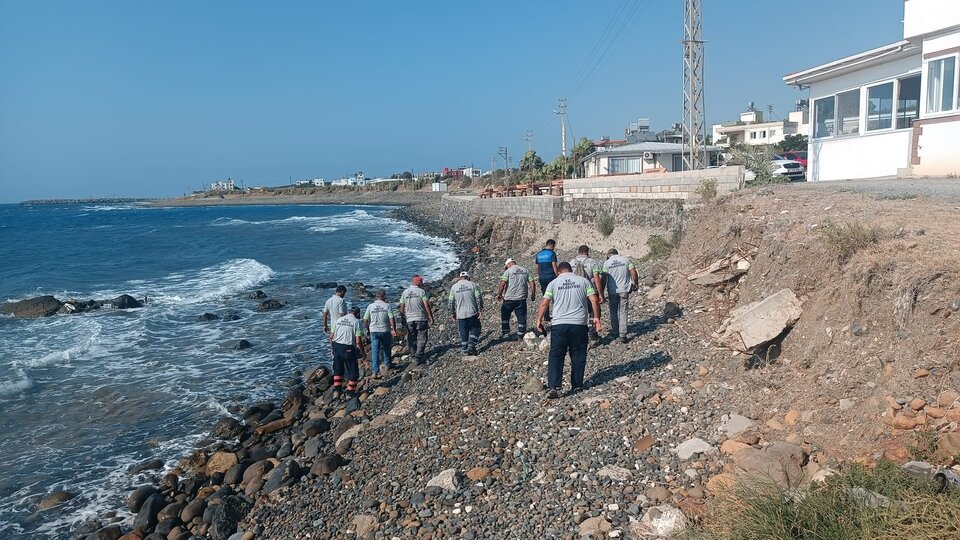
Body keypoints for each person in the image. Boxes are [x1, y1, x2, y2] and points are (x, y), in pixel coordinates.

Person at [536, 262, 602, 399]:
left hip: (559, 324)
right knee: (578, 354)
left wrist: (539, 320)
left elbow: (544, 303)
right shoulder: (583, 281)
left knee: (556, 355)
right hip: (579, 324)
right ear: (571, 270)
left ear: (559, 272)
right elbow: (594, 300)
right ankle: (577, 384)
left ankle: (554, 386)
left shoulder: (554, 283)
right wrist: (596, 317)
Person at [602, 248, 639, 343]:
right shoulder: (626, 259)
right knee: (623, 310)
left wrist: (601, 291)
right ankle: (623, 334)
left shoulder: (607, 263)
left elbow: (604, 278)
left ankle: (615, 331)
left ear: (608, 255)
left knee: (613, 311)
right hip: (624, 289)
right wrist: (636, 283)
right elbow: (633, 272)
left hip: (612, 290)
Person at [329, 306, 366, 395]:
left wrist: (333, 349)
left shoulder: (339, 320)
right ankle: (350, 392)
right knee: (353, 371)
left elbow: (331, 337)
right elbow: (358, 341)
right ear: (357, 314)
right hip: (348, 348)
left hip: (337, 346)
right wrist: (363, 352)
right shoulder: (356, 322)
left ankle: (337, 391)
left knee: (338, 370)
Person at [570, 245, 604, 341]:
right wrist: (601, 294)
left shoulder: (572, 262)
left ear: (578, 252)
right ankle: (592, 332)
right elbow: (597, 279)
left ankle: (579, 332)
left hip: (576, 291)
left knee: (579, 311)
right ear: (587, 252)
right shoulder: (591, 262)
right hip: (590, 291)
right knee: (593, 311)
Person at [399, 275, 435, 364]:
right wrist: (431, 316)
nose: (422, 284)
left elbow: (401, 307)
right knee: (422, 337)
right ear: (418, 283)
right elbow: (426, 304)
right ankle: (418, 356)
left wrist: (403, 317)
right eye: (421, 282)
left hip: (410, 318)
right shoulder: (421, 292)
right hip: (421, 317)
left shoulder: (405, 292)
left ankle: (413, 354)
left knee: (411, 337)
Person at [497, 258, 536, 339]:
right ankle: (521, 334)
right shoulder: (525, 270)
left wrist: (499, 294)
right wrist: (533, 293)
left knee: (505, 315)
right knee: (521, 315)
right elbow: (532, 282)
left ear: (508, 265)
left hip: (509, 298)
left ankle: (506, 333)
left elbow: (502, 284)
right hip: (521, 298)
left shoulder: (508, 271)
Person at [363, 289, 397, 377]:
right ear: (384, 296)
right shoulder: (387, 306)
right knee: (386, 347)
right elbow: (391, 318)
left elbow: (365, 319)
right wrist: (393, 329)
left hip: (374, 330)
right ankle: (387, 364)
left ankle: (375, 371)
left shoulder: (370, 306)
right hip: (384, 329)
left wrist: (367, 329)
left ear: (376, 297)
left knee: (375, 351)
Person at [448, 271, 483, 355]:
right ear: (468, 277)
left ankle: (464, 349)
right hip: (472, 312)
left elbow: (450, 302)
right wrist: (480, 309)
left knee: (463, 331)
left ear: (460, 278)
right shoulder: (472, 285)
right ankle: (472, 344)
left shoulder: (454, 287)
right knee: (476, 328)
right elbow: (478, 298)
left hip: (460, 314)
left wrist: (452, 313)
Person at [535, 239, 559, 321]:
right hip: (551, 277)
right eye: (554, 246)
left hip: (542, 278)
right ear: (552, 245)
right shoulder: (552, 253)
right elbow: (554, 265)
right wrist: (557, 275)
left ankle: (546, 316)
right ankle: (557, 314)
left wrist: (540, 275)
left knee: (546, 296)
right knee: (555, 297)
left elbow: (537, 267)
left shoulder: (539, 254)